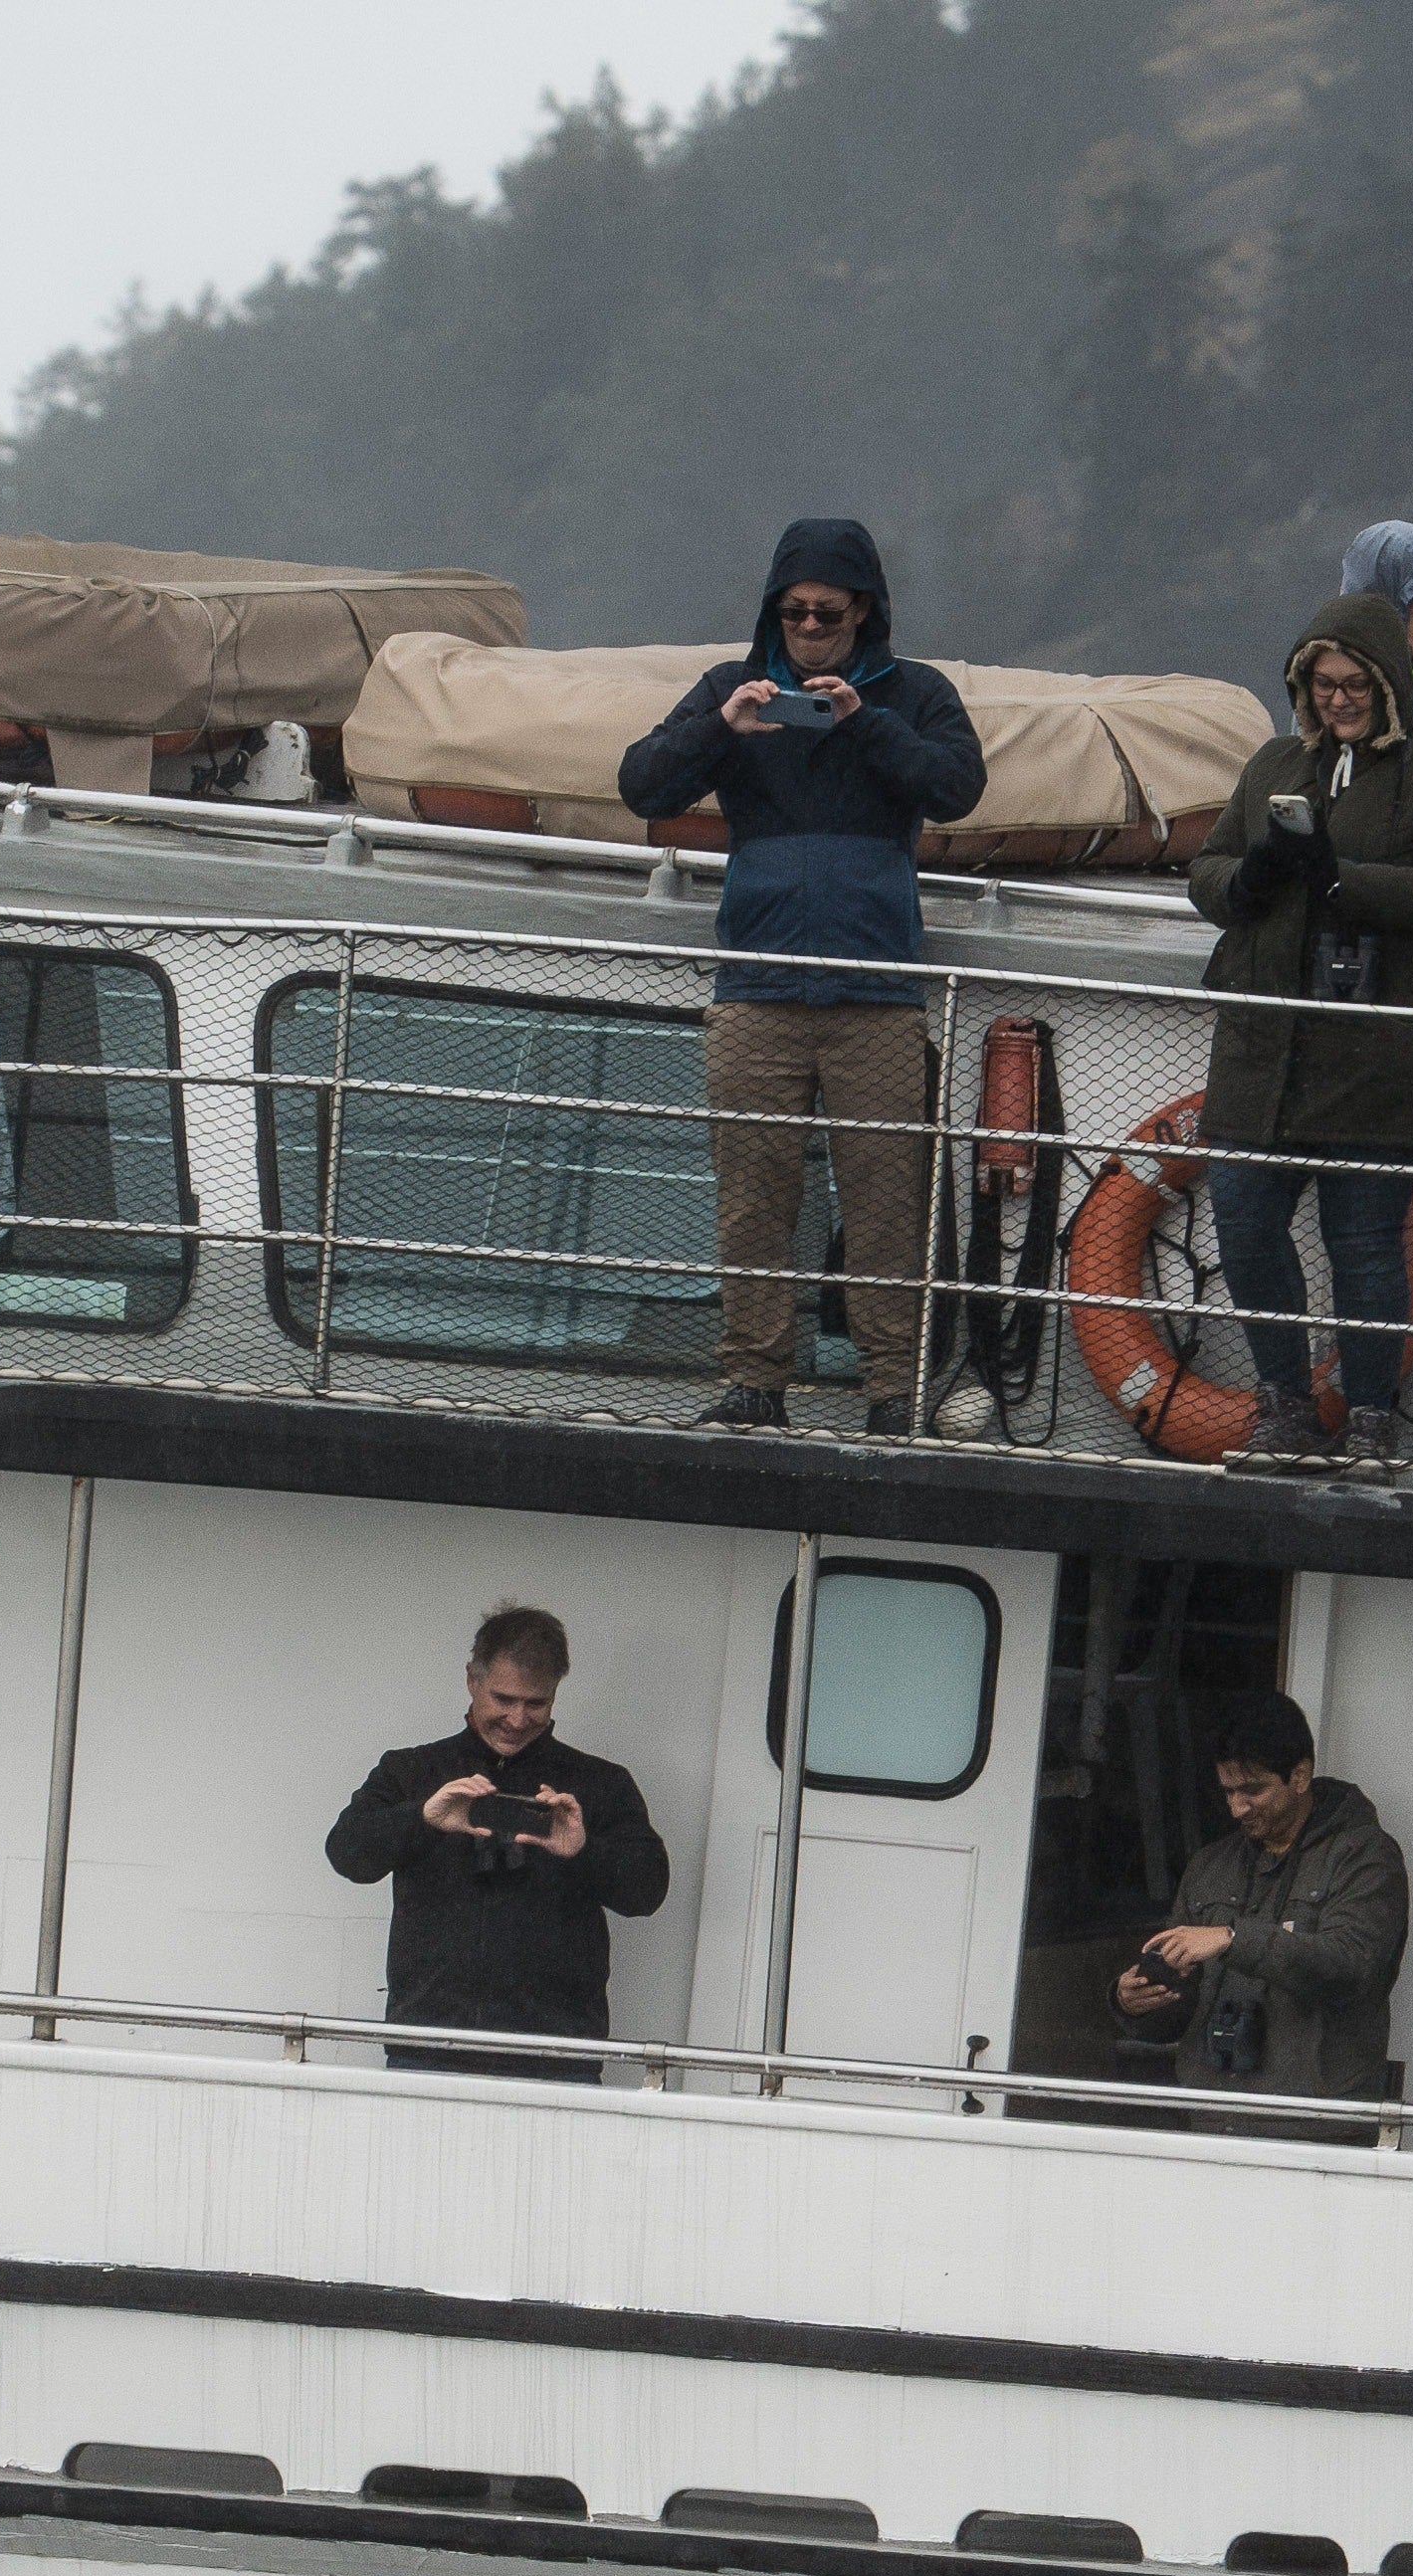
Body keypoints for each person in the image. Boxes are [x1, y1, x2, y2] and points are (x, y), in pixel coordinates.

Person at [617, 516, 986, 1438]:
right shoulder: (729, 690)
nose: (809, 628)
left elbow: (958, 787)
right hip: (756, 991)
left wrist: (867, 727)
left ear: (865, 610)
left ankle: (893, 1392)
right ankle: (754, 1383)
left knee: (886, 1203)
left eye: (827, 612)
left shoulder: (916, 694)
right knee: (753, 1197)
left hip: (878, 992)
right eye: (793, 613)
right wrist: (723, 727)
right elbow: (643, 785)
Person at [1182, 595, 1413, 1473]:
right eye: (1323, 684)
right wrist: (1256, 875)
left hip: (1376, 1052)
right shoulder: (1276, 762)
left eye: (1356, 684)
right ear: (1303, 683)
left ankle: (1369, 1421)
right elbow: (1205, 871)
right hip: (1266, 1046)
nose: (1339, 700)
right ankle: (1283, 1403)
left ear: (1388, 684)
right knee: (1242, 1219)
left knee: (1362, 1239)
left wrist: (1334, 879)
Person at [320, 1602, 671, 2075]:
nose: (517, 1719)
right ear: (471, 1680)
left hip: (558, 2054)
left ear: (555, 1693)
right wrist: (422, 1818)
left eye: (536, 1704)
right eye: (503, 1699)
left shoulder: (599, 1783)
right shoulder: (411, 1770)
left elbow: (647, 1892)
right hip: (428, 2045)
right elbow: (347, 1855)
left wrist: (583, 1852)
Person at [1111, 1686, 1410, 2101]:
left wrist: (1232, 1938)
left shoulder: (1365, 1856)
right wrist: (1137, 2002)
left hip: (1317, 2127)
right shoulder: (1210, 1865)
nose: (1237, 1808)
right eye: (1228, 1792)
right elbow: (1180, 2009)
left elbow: (1350, 1967)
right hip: (1211, 2115)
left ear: (1300, 1776)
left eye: (1252, 1790)